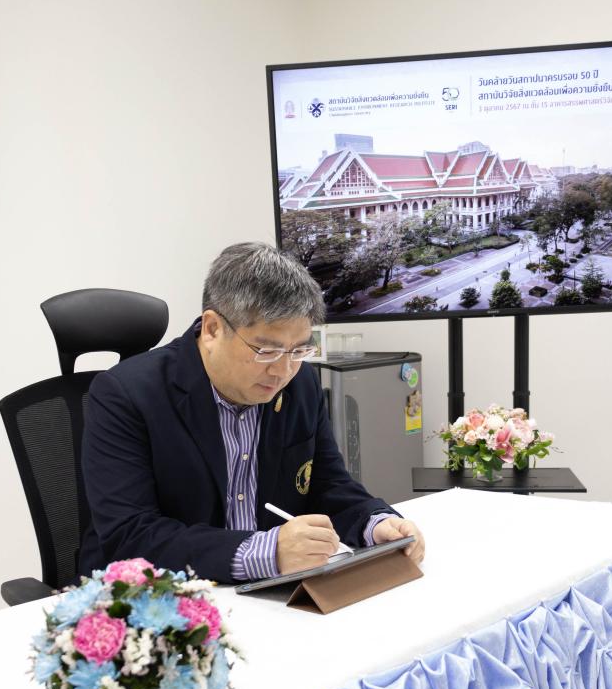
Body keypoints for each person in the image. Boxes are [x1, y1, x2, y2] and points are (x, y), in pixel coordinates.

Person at [78, 242, 427, 583]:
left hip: (266, 590)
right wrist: (265, 552)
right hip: (159, 597)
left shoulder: (300, 383)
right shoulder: (125, 395)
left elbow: (328, 484)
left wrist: (375, 523)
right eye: (266, 351)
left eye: (299, 350)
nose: (282, 371)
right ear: (213, 329)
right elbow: (131, 534)